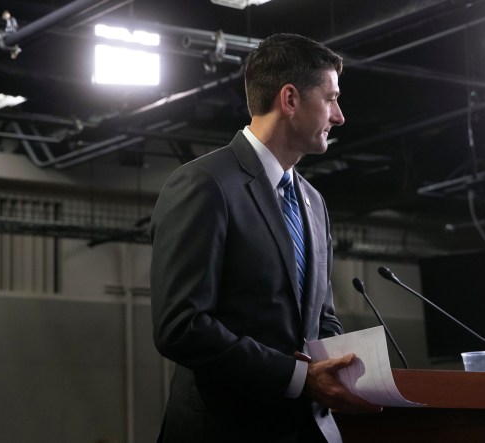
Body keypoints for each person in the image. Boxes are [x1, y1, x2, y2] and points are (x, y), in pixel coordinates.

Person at [150, 33, 381, 442]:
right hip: (224, 430)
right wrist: (298, 377)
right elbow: (182, 326)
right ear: (289, 100)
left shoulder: (313, 201)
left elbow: (322, 317)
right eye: (330, 99)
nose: (339, 116)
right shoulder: (204, 184)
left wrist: (344, 370)